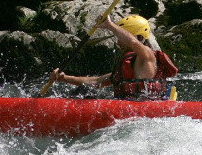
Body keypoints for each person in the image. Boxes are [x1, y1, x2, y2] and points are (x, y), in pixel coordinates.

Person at [50, 14, 178, 100]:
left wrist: (110, 25)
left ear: (139, 37)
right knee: (82, 93)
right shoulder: (127, 66)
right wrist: (64, 78)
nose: (118, 43)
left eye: (120, 39)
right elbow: (96, 82)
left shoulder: (147, 57)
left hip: (143, 112)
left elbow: (132, 42)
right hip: (129, 112)